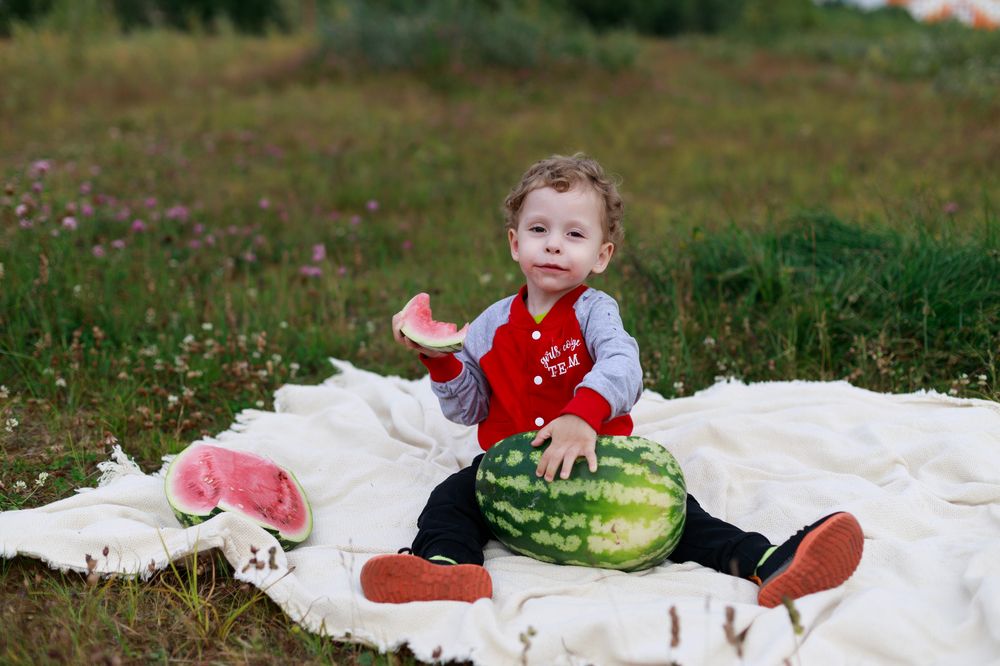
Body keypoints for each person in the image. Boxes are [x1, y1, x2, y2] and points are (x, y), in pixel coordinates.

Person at [360, 153, 864, 607]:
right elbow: (466, 408)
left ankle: (770, 561)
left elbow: (624, 365)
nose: (554, 245)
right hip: (506, 466)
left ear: (601, 256)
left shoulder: (594, 311)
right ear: (515, 244)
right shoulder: (490, 324)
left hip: (595, 455)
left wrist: (582, 415)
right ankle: (448, 569)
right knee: (451, 500)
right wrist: (441, 362)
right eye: (539, 230)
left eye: (574, 235)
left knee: (680, 517)